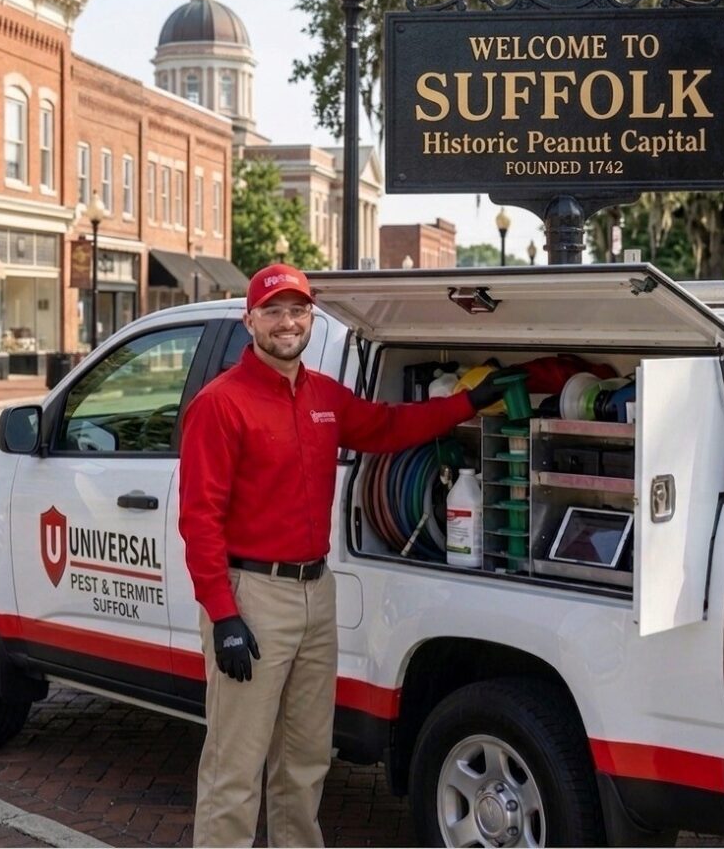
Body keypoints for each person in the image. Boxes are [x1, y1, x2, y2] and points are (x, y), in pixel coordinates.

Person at [178, 262, 510, 848]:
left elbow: (385, 426)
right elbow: (199, 519)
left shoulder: (323, 396)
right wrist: (223, 615)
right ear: (250, 319)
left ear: (311, 318)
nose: (288, 322)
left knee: (305, 759)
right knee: (236, 766)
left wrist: (467, 403)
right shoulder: (220, 404)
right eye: (274, 310)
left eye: (298, 310)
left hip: (316, 591)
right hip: (253, 598)